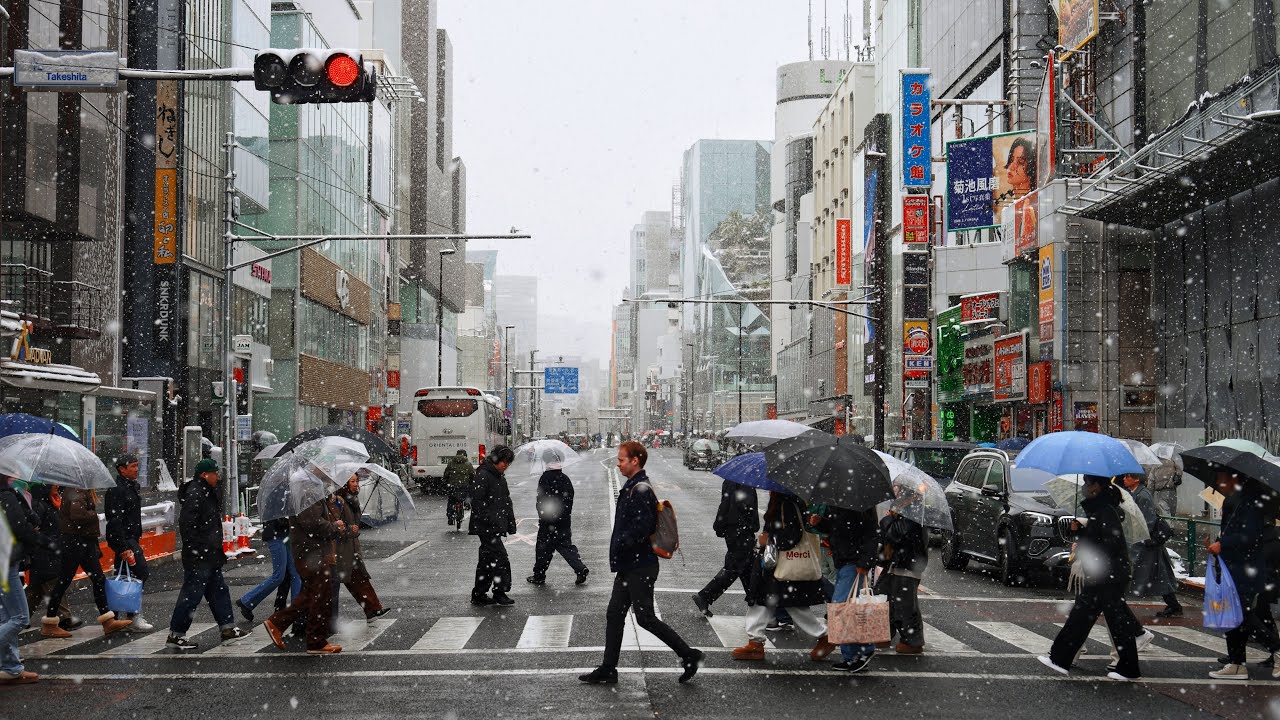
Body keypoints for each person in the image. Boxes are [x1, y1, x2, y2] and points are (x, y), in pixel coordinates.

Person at [580, 441, 704, 685]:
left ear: (635, 460)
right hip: (631, 565)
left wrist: (622, 543)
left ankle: (689, 655)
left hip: (639, 565)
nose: (618, 464)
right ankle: (608, 668)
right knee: (615, 614)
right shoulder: (633, 486)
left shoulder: (640, 489)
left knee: (645, 617)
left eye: (622, 460)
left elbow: (643, 527)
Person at [1038, 475, 1143, 681]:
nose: (1084, 487)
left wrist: (1084, 536)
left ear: (1097, 486)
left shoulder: (1105, 511)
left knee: (1100, 619)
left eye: (1087, 483)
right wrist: (1080, 533)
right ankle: (1061, 659)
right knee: (1093, 617)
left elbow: (1109, 544)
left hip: (1106, 575)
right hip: (1106, 574)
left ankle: (1061, 659)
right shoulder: (1100, 509)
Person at [731, 492, 834, 662]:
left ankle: (824, 635)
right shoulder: (784, 502)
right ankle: (755, 642)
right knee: (763, 601)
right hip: (776, 564)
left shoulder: (786, 504)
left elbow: (792, 536)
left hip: (784, 564)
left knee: (791, 604)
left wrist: (769, 539)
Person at [165, 459, 248, 649]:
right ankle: (176, 634)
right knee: (192, 594)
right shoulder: (197, 493)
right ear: (205, 475)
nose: (217, 477)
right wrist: (198, 548)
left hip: (209, 554)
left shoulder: (206, 491)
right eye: (214, 473)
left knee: (218, 591)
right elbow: (187, 524)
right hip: (200, 555)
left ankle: (227, 628)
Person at [1205, 471, 1279, 680]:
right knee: (1232, 616)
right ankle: (1237, 663)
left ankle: (1275, 648)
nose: (1218, 483)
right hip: (1234, 567)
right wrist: (1220, 542)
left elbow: (1249, 536)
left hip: (1244, 569)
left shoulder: (1248, 503)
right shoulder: (1237, 501)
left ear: (1235, 479)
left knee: (1242, 616)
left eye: (1222, 478)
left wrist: (1223, 543)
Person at [41, 486, 132, 638]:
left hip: (82, 541)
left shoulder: (77, 492)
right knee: (65, 581)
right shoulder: (75, 492)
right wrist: (93, 514)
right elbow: (77, 515)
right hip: (76, 542)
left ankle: (108, 620)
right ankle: (49, 623)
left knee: (97, 579)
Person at [263, 492, 345, 655]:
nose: (327, 471)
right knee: (319, 593)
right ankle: (308, 638)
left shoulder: (311, 489)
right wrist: (335, 526)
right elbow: (312, 523)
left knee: (314, 593)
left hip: (312, 551)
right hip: (310, 553)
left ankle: (307, 636)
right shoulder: (307, 491)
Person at [810, 504, 880, 673]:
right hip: (843, 560)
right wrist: (820, 523)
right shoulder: (838, 501)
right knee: (847, 609)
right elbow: (836, 528)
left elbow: (871, 535)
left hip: (854, 563)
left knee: (841, 607)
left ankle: (864, 650)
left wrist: (865, 562)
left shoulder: (861, 504)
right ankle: (851, 656)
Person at [0, 475, 47, 683]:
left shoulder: (10, 495)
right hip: (6, 561)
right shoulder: (6, 496)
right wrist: (37, 536)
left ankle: (10, 668)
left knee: (5, 618)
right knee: (20, 618)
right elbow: (19, 527)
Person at [692, 477, 758, 617]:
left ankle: (756, 602)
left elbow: (725, 504)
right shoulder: (746, 483)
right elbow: (748, 508)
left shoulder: (730, 480)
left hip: (733, 530)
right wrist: (753, 525)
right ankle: (705, 596)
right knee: (736, 568)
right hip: (742, 531)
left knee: (747, 568)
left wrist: (720, 525)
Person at [104, 453, 155, 632]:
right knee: (140, 572)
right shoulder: (117, 489)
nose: (136, 469)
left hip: (130, 537)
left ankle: (115, 617)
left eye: (136, 465)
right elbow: (114, 520)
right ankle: (132, 615)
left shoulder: (130, 487)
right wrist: (122, 547)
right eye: (132, 466)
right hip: (125, 539)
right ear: (122, 469)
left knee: (123, 577)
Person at [1120, 474, 1181, 618]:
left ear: (1136, 479)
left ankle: (1115, 603)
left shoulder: (1143, 496)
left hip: (1145, 543)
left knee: (1135, 571)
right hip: (1143, 542)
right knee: (1158, 574)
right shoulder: (1134, 493)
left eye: (1127, 477)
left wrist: (1137, 536)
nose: (1124, 479)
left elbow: (1147, 520)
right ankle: (1173, 605)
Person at [331, 472, 389, 623]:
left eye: (357, 481)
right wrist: (350, 530)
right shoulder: (339, 501)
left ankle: (372, 610)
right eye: (352, 481)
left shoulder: (352, 500)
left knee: (358, 579)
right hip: (343, 549)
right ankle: (373, 609)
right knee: (356, 580)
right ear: (345, 484)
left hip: (351, 547)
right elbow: (336, 526)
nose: (356, 484)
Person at [527, 450, 589, 586]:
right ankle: (580, 568)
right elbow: (569, 498)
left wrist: (543, 515)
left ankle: (539, 575)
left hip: (548, 520)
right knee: (566, 546)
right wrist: (564, 514)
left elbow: (542, 499)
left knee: (543, 549)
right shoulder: (564, 478)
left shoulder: (545, 478)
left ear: (546, 462)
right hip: (564, 521)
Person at [24, 484, 81, 630]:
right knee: (53, 581)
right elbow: (34, 530)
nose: (57, 485)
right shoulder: (39, 505)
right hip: (44, 552)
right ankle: (65, 617)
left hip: (51, 551)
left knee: (35, 590)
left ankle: (20, 616)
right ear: (45, 487)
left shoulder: (53, 501)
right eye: (53, 483)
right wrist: (50, 543)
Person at [877, 503, 928, 654]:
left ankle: (912, 641)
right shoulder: (908, 513)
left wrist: (891, 518)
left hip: (907, 566)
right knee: (885, 598)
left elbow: (895, 533)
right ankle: (884, 634)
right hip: (898, 565)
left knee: (905, 606)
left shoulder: (912, 514)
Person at [470, 446, 517, 607]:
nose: (505, 465)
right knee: (500, 558)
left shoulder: (498, 476)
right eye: (503, 462)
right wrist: (491, 520)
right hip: (486, 527)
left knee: (486, 560)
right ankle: (499, 591)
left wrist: (510, 522)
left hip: (493, 525)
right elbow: (478, 502)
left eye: (508, 463)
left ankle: (479, 593)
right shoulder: (484, 475)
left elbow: (506, 500)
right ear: (496, 459)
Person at [235, 516, 302, 622]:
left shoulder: (284, 500)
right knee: (279, 576)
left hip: (285, 535)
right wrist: (289, 519)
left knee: (295, 573)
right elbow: (276, 520)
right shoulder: (274, 501)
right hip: (276, 536)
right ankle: (247, 600)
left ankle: (297, 611)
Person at [442, 450, 473, 529]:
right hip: (464, 486)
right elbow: (472, 475)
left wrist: (446, 482)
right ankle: (467, 503)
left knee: (451, 500)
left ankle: (450, 517)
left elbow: (446, 475)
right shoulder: (468, 464)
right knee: (468, 493)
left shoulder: (450, 464)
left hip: (453, 486)